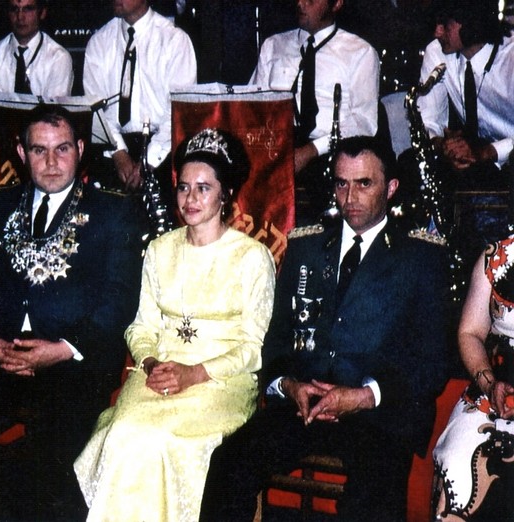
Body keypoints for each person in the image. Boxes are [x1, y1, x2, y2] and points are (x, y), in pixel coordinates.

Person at [199, 136, 450, 521]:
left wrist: (363, 396)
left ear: (391, 188)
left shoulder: (421, 258)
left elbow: (431, 361)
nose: (350, 196)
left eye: (364, 183)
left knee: (372, 496)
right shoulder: (306, 246)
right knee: (229, 462)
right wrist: (288, 385)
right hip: (305, 405)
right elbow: (276, 339)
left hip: (377, 412)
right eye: (341, 183)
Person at [74, 128, 276, 522]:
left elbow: (254, 348)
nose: (190, 199)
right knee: (125, 434)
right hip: (159, 372)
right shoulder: (159, 248)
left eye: (203, 188)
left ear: (226, 193)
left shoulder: (253, 257)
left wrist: (194, 372)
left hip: (221, 380)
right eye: (183, 187)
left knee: (165, 440)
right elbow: (140, 327)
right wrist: (151, 364)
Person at [0, 104, 147, 520]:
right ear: (21, 152)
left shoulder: (112, 212)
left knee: (49, 464)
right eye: (39, 150)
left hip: (75, 361)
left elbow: (119, 300)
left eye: (62, 148)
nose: (51, 162)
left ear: (80, 149)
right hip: (1, 354)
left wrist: (61, 349)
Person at [249, 0, 379, 221]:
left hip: (328, 151)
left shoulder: (360, 52)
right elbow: (253, 104)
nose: (300, 3)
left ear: (336, 4)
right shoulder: (273, 46)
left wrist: (311, 150)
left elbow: (364, 123)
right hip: (275, 146)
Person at [432, 238, 514, 520]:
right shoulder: (496, 257)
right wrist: (490, 385)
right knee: (458, 462)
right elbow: (470, 333)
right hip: (496, 388)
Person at [83, 0, 196, 198]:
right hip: (113, 150)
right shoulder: (99, 42)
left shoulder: (174, 40)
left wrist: (148, 160)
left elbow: (178, 111)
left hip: (162, 152)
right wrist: (118, 153)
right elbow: (95, 107)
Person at [416, 0, 513, 180]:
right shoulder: (437, 52)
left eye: (445, 25)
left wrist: (488, 152)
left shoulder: (511, 57)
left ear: (470, 20)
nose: (437, 32)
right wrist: (444, 146)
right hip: (476, 165)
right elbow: (427, 122)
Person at [0, 0, 73, 97]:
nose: (20, 17)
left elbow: (54, 106)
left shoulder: (58, 57)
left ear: (42, 13)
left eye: (28, 9)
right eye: (14, 9)